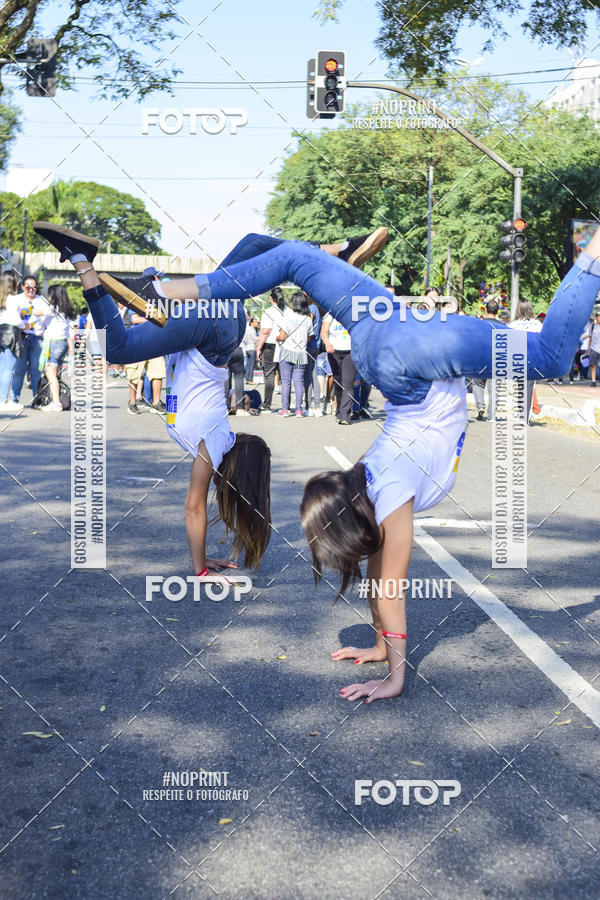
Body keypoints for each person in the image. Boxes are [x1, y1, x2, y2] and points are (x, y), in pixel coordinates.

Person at [68, 225, 599, 705]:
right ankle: (203, 282)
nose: (368, 558)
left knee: (551, 356)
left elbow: (389, 589)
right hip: (377, 333)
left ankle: (592, 252)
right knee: (293, 258)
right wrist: (376, 645)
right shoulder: (369, 482)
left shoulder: (390, 497)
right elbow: (378, 584)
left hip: (411, 357)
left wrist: (394, 674)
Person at [33, 222, 388, 570]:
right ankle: (86, 263)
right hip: (214, 333)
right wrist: (200, 569)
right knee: (119, 349)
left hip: (216, 322)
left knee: (250, 246)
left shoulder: (217, 439)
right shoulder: (215, 444)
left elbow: (168, 340)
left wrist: (155, 296)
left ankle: (339, 251)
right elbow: (193, 507)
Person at [11, 276, 52, 404]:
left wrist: (35, 311)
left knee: (36, 370)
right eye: (28, 287)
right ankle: (14, 397)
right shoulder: (16, 299)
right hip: (20, 337)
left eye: (34, 287)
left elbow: (49, 312)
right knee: (19, 370)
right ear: (22, 287)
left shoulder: (41, 300)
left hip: (37, 337)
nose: (31, 290)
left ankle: (37, 398)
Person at [276, 290, 313, 417]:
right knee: (298, 382)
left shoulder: (287, 317)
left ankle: (285, 410)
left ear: (293, 304)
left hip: (287, 352)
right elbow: (308, 338)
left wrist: (277, 338)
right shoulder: (308, 320)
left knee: (286, 381)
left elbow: (282, 336)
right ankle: (298, 410)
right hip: (301, 353)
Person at [40, 284, 74, 412]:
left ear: (53, 295)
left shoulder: (53, 308)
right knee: (56, 374)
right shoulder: (66, 310)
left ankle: (56, 402)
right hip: (62, 343)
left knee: (51, 374)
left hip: (54, 343)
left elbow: (38, 312)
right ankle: (58, 399)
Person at [509, 298, 543, 422]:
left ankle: (519, 412)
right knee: (529, 387)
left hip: (517, 358)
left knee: (519, 387)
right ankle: (525, 417)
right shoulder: (538, 324)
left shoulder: (513, 325)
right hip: (532, 358)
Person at [321, 313, 355, 425]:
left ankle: (345, 416)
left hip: (351, 352)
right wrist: (326, 342)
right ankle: (339, 411)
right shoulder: (330, 314)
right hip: (334, 351)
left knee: (348, 383)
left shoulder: (354, 312)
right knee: (338, 382)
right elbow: (324, 331)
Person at [256, 287, 285, 413]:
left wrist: (258, 348)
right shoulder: (287, 311)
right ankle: (286, 406)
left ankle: (266, 404)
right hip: (284, 345)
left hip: (270, 345)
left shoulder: (268, 312)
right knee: (285, 377)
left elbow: (265, 332)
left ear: (271, 298)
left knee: (269, 375)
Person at [0, 270, 25, 411]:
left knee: (2, 367)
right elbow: (16, 320)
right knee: (8, 368)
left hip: (0, 332)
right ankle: (4, 401)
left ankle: (2, 398)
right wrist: (24, 324)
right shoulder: (15, 299)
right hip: (11, 333)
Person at [471, 298, 500, 420]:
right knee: (494, 388)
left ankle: (480, 407)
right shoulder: (504, 326)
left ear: (486, 310)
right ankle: (492, 415)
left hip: (480, 358)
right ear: (497, 311)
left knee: (477, 384)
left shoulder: (479, 324)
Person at [242, 316, 259, 384]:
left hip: (247, 348)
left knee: (249, 364)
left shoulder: (247, 329)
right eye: (255, 322)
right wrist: (258, 339)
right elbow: (254, 339)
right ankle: (250, 379)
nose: (257, 323)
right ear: (251, 323)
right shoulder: (252, 330)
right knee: (251, 365)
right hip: (252, 348)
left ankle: (247, 378)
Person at [587, 309, 600, 386]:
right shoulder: (592, 327)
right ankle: (593, 380)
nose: (599, 318)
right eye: (598, 317)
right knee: (593, 365)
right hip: (594, 348)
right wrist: (588, 349)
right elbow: (590, 339)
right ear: (596, 317)